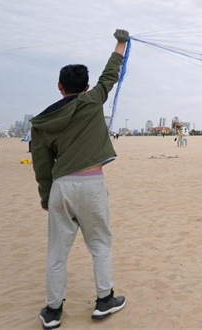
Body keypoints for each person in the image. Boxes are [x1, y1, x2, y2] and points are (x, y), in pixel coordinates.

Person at [30, 30, 128, 329]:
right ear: (85, 86)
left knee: (57, 251)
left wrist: (46, 197)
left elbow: (41, 165)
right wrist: (121, 43)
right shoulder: (92, 100)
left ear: (60, 87)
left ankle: (53, 310)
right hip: (92, 184)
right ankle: (104, 299)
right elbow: (111, 74)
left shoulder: (42, 122)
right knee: (100, 243)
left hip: (61, 187)